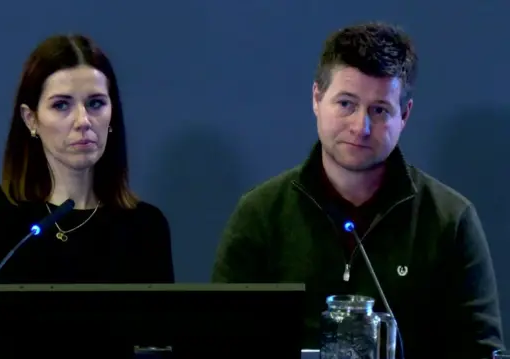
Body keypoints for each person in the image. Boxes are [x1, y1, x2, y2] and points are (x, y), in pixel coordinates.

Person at [212, 22, 503, 358]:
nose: (360, 127)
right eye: (346, 104)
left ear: (404, 115)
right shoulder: (260, 214)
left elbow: (483, 351)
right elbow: (220, 343)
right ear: (317, 99)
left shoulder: (450, 220)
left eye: (379, 110)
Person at [0, 35, 174, 356]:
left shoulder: (144, 226)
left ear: (113, 115)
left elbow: (157, 345)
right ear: (31, 120)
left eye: (96, 103)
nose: (83, 121)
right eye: (61, 105)